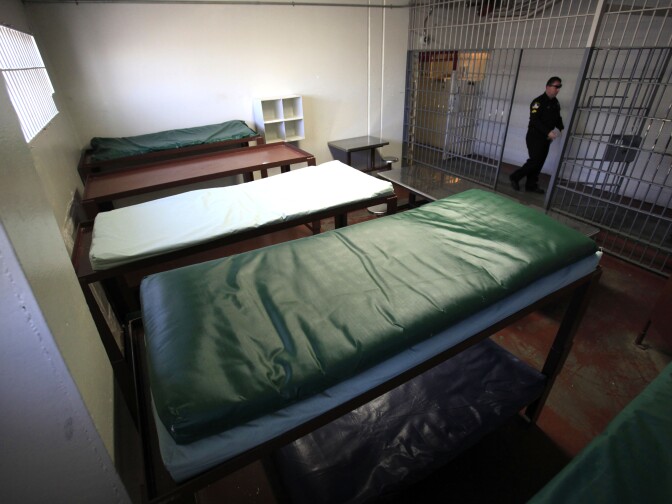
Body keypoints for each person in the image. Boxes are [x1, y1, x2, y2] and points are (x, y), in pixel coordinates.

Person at [510, 76, 565, 194]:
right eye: (556, 87)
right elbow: (535, 120)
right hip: (535, 137)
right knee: (534, 161)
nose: (558, 90)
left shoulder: (555, 102)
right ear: (548, 87)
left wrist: (562, 128)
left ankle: (531, 185)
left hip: (546, 139)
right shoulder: (538, 102)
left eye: (559, 87)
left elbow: (557, 118)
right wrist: (548, 132)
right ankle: (515, 177)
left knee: (539, 163)